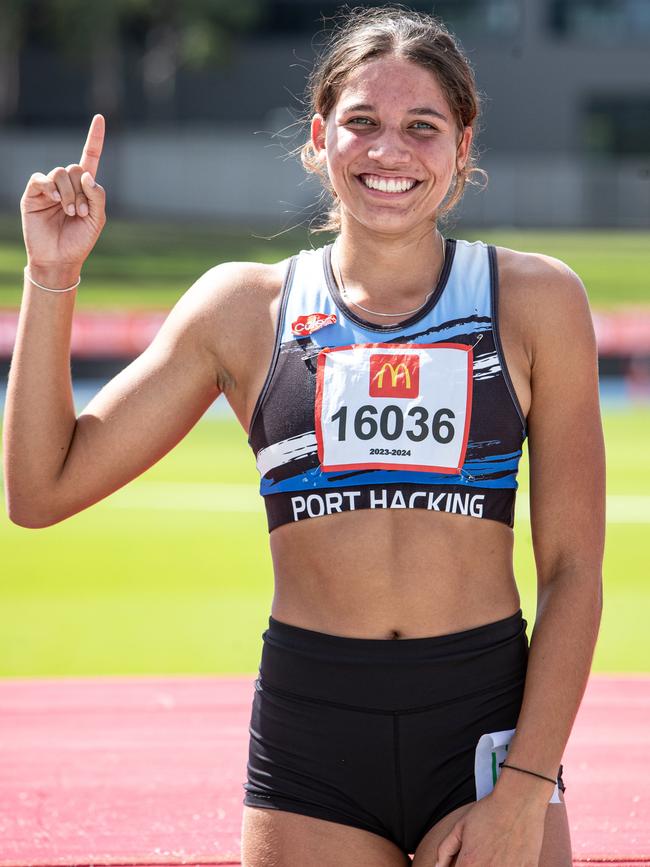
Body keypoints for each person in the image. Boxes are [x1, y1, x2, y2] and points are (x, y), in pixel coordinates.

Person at [5, 5, 605, 866]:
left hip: (486, 729)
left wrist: (525, 786)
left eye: (421, 127)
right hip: (313, 740)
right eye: (361, 123)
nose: (389, 151)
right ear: (319, 137)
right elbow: (40, 490)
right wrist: (51, 277)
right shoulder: (242, 310)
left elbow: (573, 572)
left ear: (463, 146)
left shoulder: (537, 301)